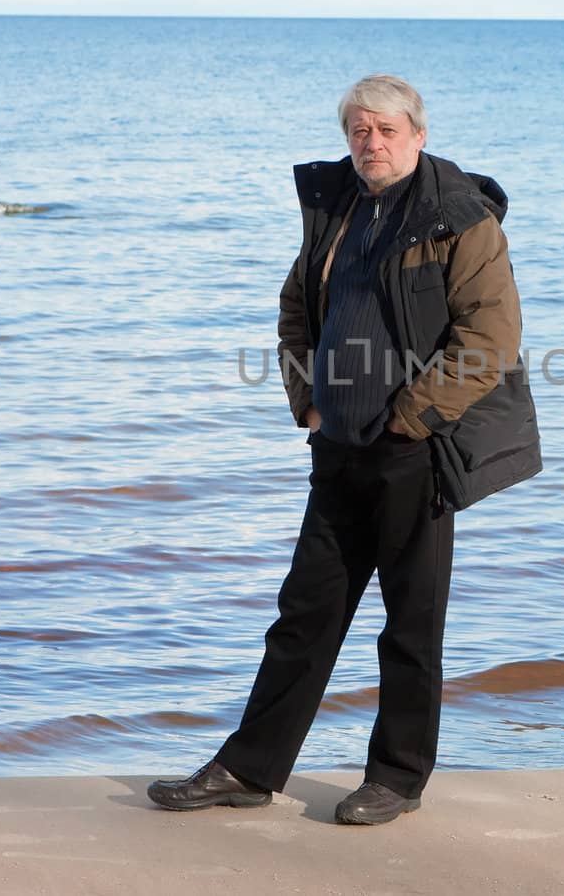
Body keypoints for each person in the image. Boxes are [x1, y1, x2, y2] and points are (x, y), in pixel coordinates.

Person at [148, 75, 541, 825]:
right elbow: (297, 307)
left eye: (387, 130)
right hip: (337, 447)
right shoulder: (337, 209)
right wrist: (311, 401)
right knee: (304, 614)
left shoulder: (460, 219)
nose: (372, 143)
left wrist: (412, 417)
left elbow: (490, 338)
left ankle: (396, 778)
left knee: (410, 625)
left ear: (418, 134)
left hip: (415, 452)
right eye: (360, 130)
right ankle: (248, 767)